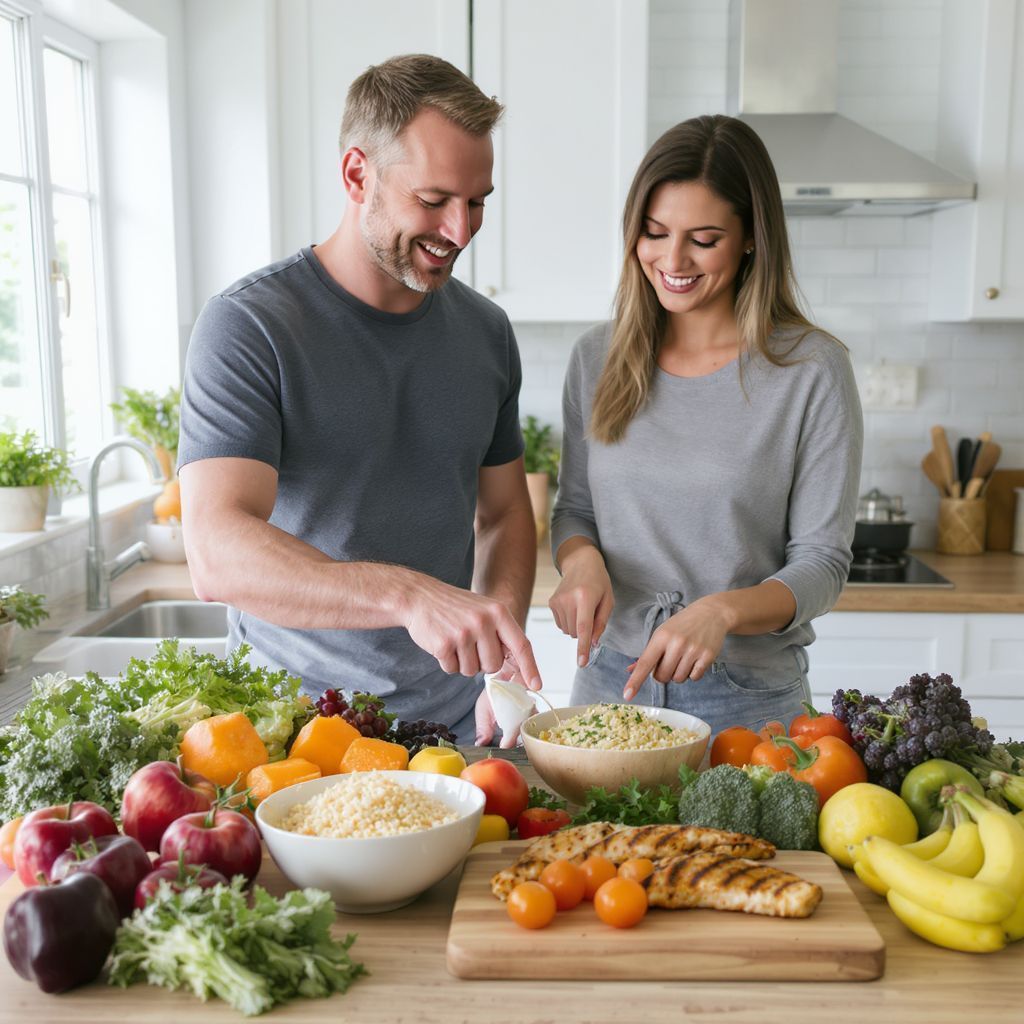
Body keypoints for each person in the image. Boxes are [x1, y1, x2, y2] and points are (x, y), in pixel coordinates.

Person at [178, 54, 540, 747]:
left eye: (478, 201)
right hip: (294, 738)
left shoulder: (486, 333)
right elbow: (215, 552)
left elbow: (502, 515)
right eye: (433, 200)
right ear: (356, 174)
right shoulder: (251, 326)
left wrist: (502, 665)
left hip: (451, 734)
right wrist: (408, 596)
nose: (461, 231)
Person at [548, 114, 863, 737]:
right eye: (655, 232)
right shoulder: (598, 358)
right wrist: (580, 563)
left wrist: (720, 612)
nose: (673, 259)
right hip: (610, 683)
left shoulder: (811, 370)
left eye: (704, 238)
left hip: (747, 697)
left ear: (751, 238)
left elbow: (822, 564)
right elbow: (576, 510)